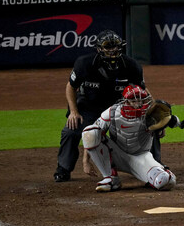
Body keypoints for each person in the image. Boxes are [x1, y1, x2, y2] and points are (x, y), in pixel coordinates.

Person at [54, 30, 144, 182]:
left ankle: (154, 165)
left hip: (117, 109)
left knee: (147, 127)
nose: (113, 50)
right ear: (99, 49)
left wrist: (152, 110)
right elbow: (70, 87)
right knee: (71, 131)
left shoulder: (130, 65)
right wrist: (73, 112)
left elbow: (142, 89)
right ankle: (63, 169)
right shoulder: (85, 63)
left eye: (115, 46)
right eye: (108, 47)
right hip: (88, 107)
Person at [81, 85, 177, 193]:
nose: (138, 104)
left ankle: (161, 172)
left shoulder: (150, 114)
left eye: (140, 100)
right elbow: (90, 136)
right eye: (133, 100)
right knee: (90, 132)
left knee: (165, 181)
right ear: (125, 101)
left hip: (140, 158)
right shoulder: (112, 113)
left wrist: (171, 121)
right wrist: (86, 161)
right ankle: (110, 179)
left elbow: (167, 121)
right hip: (116, 155)